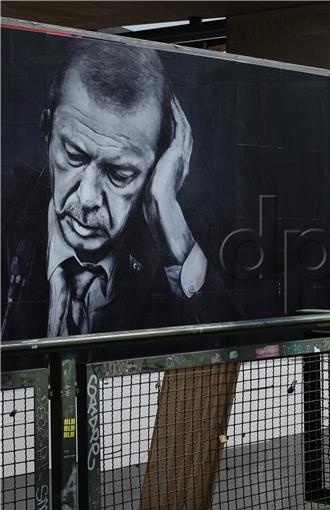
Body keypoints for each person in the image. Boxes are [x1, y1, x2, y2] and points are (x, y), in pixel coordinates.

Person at [1, 39, 211, 340]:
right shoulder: (6, 214)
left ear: (156, 170)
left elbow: (233, 354)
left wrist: (172, 230)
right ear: (46, 129)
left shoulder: (179, 241)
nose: (87, 198)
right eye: (74, 155)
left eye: (119, 173)